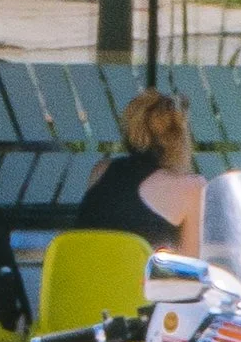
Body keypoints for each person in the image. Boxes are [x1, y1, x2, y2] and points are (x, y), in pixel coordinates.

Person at [75, 88, 203, 252]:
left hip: (79, 275)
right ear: (180, 137)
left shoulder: (101, 171)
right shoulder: (192, 188)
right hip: (136, 277)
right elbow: (192, 262)